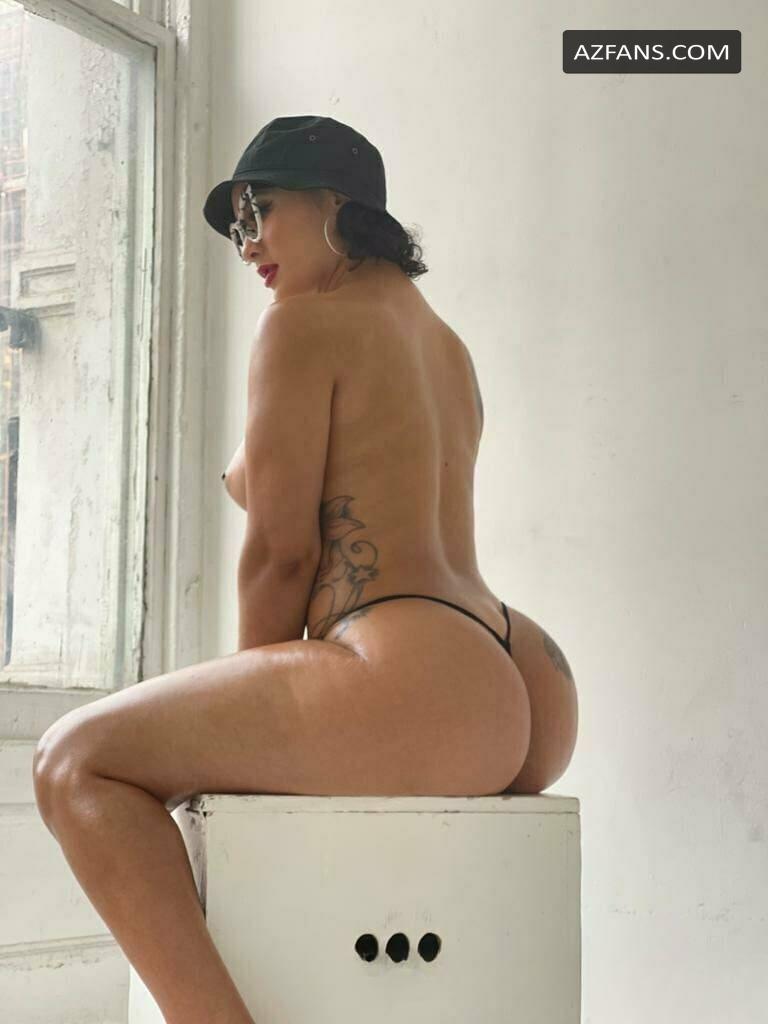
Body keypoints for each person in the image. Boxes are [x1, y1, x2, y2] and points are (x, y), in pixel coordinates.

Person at [31, 115, 578, 1024]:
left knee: (69, 762)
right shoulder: (445, 344)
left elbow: (282, 553)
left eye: (260, 211)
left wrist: (243, 717)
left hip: (415, 673)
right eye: (235, 226)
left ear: (337, 204)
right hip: (519, 670)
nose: (247, 244)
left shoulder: (301, 326)